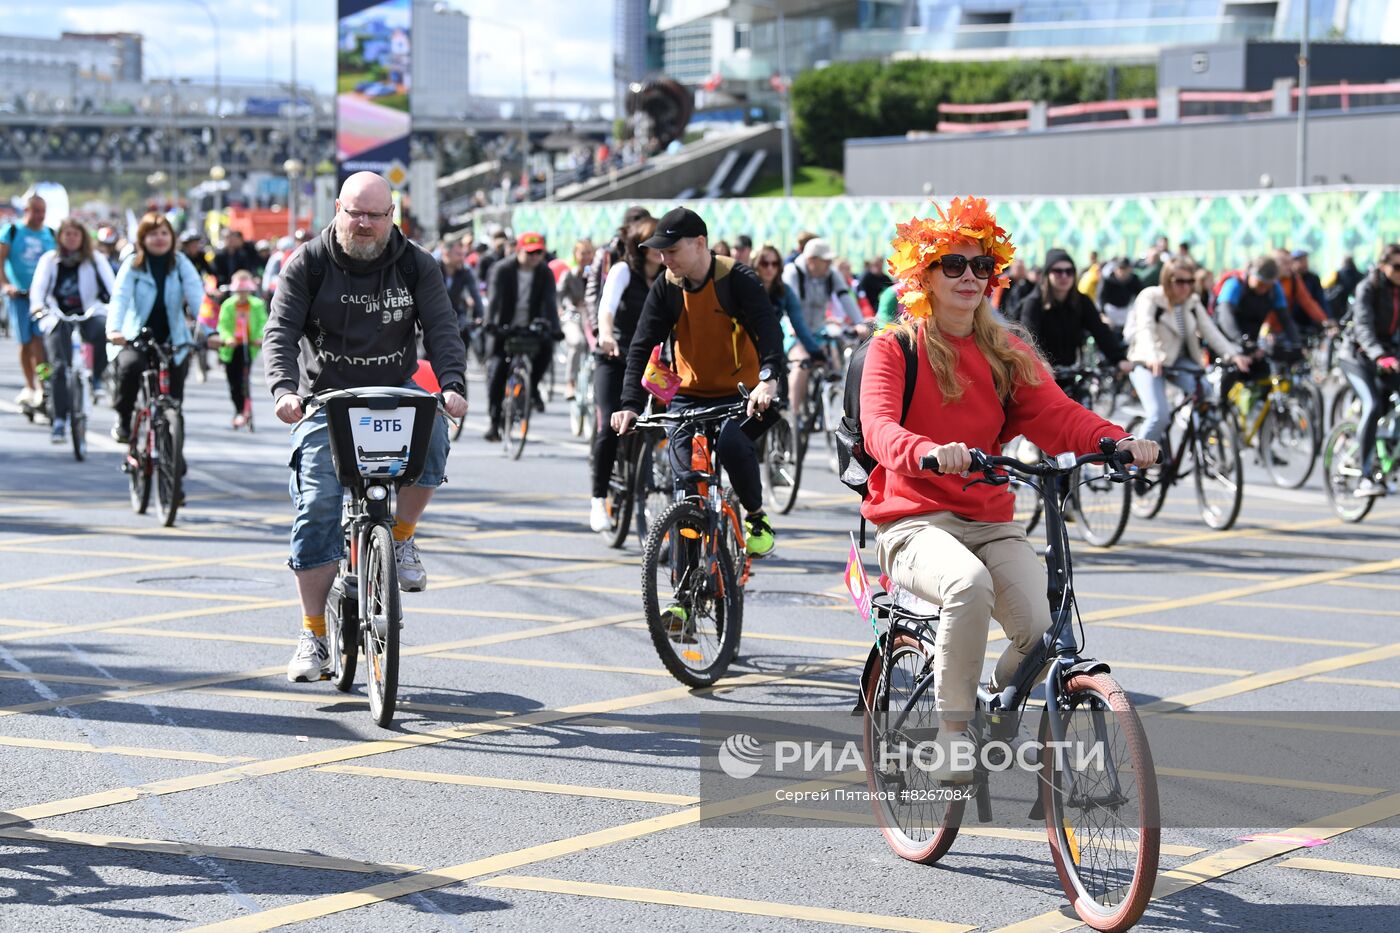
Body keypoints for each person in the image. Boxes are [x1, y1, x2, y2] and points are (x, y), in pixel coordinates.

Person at [862, 197, 1157, 782]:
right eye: (953, 264)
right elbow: (879, 427)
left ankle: (993, 702)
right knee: (966, 587)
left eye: (981, 266)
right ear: (923, 274)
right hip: (914, 519)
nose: (970, 277)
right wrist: (923, 451)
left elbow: (1056, 414)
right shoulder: (895, 347)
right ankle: (950, 733)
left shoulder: (1006, 348)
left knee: (1042, 634)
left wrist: (1115, 440)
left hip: (992, 521)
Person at [263, 172, 467, 683]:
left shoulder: (416, 264)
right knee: (317, 507)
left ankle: (400, 537)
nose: (365, 223)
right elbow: (280, 331)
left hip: (393, 389)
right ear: (337, 208)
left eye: (376, 214)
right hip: (324, 399)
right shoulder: (307, 263)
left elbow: (442, 328)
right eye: (355, 212)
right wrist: (284, 391)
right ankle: (312, 634)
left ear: (392, 215)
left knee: (437, 432)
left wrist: (452, 384)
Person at [611, 207, 786, 558]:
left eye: (672, 251)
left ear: (700, 244)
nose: (663, 259)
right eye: (660, 252)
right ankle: (684, 587)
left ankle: (756, 517)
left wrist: (768, 380)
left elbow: (769, 333)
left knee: (735, 445)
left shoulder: (738, 279)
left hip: (744, 395)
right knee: (687, 484)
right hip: (688, 397)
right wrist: (629, 404)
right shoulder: (667, 285)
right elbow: (643, 345)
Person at [1125, 256, 1251, 452]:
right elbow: (1145, 328)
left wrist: (1233, 354)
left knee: (1207, 393)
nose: (1185, 287)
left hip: (1179, 362)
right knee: (1159, 415)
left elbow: (1211, 331)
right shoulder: (1151, 297)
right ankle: (1133, 461)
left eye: (1190, 281)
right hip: (1148, 361)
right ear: (1167, 280)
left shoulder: (1191, 302)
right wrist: (1152, 355)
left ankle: (1199, 445)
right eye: (1180, 281)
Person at [588, 217, 662, 531]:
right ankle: (598, 499)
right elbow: (606, 308)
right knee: (608, 426)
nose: (663, 250)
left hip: (651, 364)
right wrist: (606, 335)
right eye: (655, 242)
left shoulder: (668, 278)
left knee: (666, 426)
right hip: (614, 357)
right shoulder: (622, 271)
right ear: (640, 247)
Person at [106, 212, 204, 444]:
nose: (159, 238)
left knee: (174, 400)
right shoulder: (133, 264)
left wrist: (212, 332)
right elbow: (119, 299)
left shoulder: (181, 263)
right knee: (130, 367)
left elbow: (198, 298)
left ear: (172, 237)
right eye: (152, 234)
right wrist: (114, 331)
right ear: (142, 238)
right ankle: (123, 418)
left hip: (174, 338)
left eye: (164, 233)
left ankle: (172, 453)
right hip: (134, 336)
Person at [29, 218, 115, 443]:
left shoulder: (95, 259)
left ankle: (97, 378)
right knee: (59, 367)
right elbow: (38, 290)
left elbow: (112, 288)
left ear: (83, 237)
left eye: (75, 234)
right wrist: (38, 308)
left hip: (89, 312)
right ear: (60, 237)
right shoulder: (50, 260)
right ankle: (58, 421)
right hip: (58, 316)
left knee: (104, 331)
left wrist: (114, 309)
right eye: (67, 234)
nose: (71, 238)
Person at [483, 232, 559, 440]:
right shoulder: (502, 270)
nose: (535, 257)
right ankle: (493, 421)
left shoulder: (545, 273)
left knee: (546, 350)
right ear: (519, 250)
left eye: (539, 253)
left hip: (530, 325)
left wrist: (555, 328)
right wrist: (491, 324)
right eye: (530, 253)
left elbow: (551, 303)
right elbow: (494, 300)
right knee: (497, 370)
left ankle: (531, 388)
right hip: (504, 325)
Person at [1340, 244, 1400, 496]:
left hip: (1389, 355)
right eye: (1397, 267)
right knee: (1373, 404)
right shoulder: (1368, 287)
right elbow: (1363, 326)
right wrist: (1379, 355)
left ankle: (1388, 459)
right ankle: (1365, 476)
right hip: (1358, 356)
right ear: (1383, 265)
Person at [1010, 248, 1129, 375]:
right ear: (1047, 274)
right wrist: (1039, 362)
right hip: (1041, 377)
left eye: (1069, 271)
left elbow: (1101, 331)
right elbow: (1028, 338)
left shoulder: (1082, 301)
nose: (1064, 276)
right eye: (1058, 271)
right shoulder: (1033, 303)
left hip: (1072, 374)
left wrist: (1119, 359)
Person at [783, 237, 863, 420]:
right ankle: (793, 417)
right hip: (794, 329)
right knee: (801, 362)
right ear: (811, 260)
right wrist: (792, 327)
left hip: (818, 329)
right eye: (825, 260)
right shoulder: (792, 273)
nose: (829, 264)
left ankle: (836, 415)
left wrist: (859, 323)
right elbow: (789, 305)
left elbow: (845, 297)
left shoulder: (830, 274)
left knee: (834, 362)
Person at [1, 194, 56, 408]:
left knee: (39, 340)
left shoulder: (50, 234)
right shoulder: (12, 231)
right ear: (26, 211)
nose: (40, 216)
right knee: (25, 342)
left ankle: (43, 386)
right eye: (36, 211)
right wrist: (7, 285)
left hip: (42, 298)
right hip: (19, 297)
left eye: (43, 211)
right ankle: (29, 385)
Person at [754, 243, 819, 396]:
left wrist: (814, 351)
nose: (770, 268)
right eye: (765, 263)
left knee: (781, 399)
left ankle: (794, 416)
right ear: (756, 265)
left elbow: (798, 323)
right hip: (748, 349)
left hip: (773, 347)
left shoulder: (784, 291)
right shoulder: (748, 287)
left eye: (774, 263)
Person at [1216, 255, 1301, 352]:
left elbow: (1285, 319)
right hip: (1224, 338)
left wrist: (1297, 344)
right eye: (1260, 284)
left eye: (1268, 285)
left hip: (1251, 341)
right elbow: (1225, 315)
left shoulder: (1275, 289)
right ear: (1251, 274)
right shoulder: (1235, 284)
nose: (1263, 289)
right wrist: (1240, 340)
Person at [216, 270, 267, 428]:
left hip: (248, 346)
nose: (242, 294)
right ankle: (238, 410)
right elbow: (222, 325)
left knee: (244, 379)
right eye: (239, 290)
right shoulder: (228, 305)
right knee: (233, 382)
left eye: (245, 290)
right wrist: (228, 338)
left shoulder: (257, 305)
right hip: (231, 348)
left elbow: (262, 323)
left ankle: (245, 411)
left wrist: (259, 338)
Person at [557, 238, 595, 401]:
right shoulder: (569, 275)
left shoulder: (595, 274)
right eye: (582, 253)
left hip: (591, 316)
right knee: (577, 342)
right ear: (575, 255)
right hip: (572, 316)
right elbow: (559, 295)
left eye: (589, 253)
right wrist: (562, 308)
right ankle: (570, 382)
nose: (585, 257)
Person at [1097, 258, 1143, 333]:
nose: (1123, 272)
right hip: (1110, 311)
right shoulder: (1107, 279)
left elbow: (1141, 295)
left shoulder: (1134, 279)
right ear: (1115, 269)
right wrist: (1103, 315)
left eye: (1126, 269)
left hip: (1127, 310)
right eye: (1120, 268)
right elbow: (1100, 298)